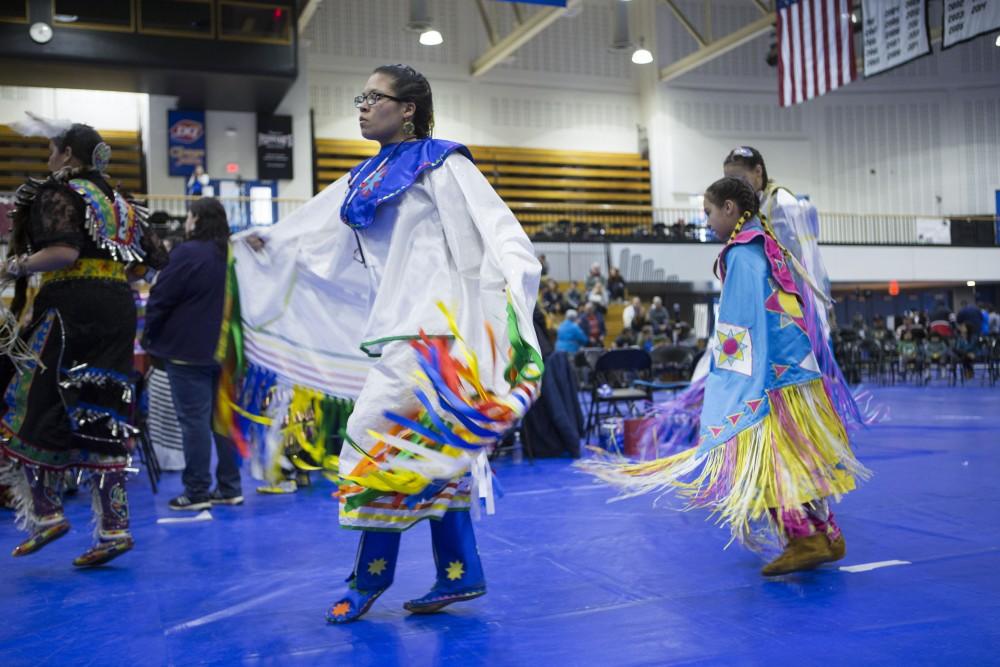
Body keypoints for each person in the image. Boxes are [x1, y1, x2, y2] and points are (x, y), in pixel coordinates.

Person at [222, 64, 543, 623]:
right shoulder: (366, 175)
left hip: (435, 332)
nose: (363, 106)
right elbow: (315, 232)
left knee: (369, 444)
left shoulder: (442, 162)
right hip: (401, 329)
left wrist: (513, 298)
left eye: (375, 97)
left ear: (409, 108)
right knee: (430, 452)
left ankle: (370, 579)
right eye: (361, 97)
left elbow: (498, 230)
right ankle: (459, 572)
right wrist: (267, 242)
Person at [581, 177, 867, 576]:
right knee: (796, 456)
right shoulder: (766, 244)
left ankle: (804, 537)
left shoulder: (744, 253)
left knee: (766, 458)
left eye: (709, 212)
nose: (708, 221)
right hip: (792, 371)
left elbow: (741, 323)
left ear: (730, 209)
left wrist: (727, 380)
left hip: (767, 379)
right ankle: (828, 534)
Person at [0, 118, 167, 566]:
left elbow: (64, 253)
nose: (49, 160)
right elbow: (154, 259)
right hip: (117, 308)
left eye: (52, 152)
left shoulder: (60, 193)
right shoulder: (121, 200)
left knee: (25, 398)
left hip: (71, 308)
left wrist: (15, 265)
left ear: (68, 155)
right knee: (102, 410)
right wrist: (114, 275)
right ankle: (114, 529)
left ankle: (47, 512)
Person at [144, 197, 242, 510]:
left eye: (188, 216)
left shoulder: (187, 253)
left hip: (188, 351)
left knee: (194, 423)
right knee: (221, 421)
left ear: (197, 219)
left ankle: (197, 491)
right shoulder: (233, 254)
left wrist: (150, 337)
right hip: (228, 353)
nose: (186, 222)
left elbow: (161, 297)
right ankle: (229, 487)